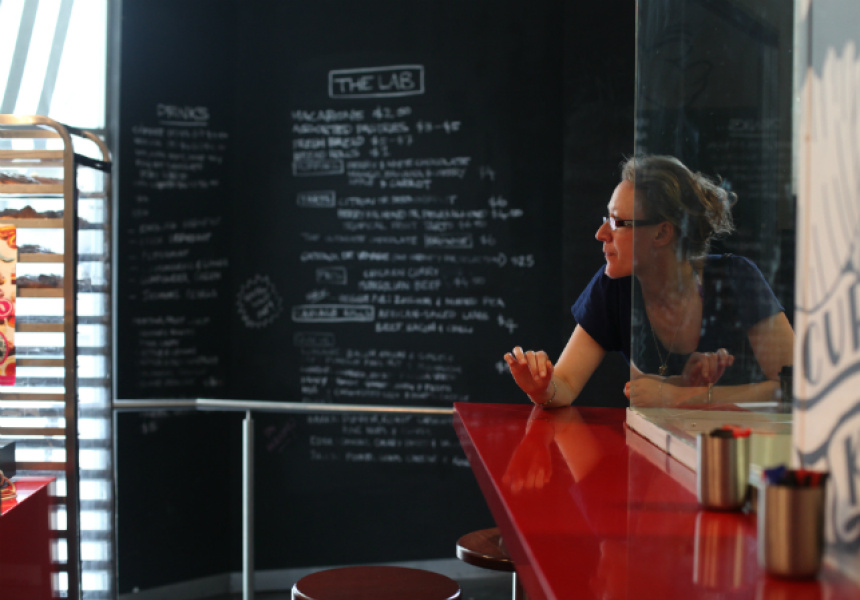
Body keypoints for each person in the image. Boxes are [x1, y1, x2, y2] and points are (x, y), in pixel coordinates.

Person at [504, 155, 794, 408]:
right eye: (607, 218)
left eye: (617, 222)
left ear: (661, 233)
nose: (601, 233)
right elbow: (565, 384)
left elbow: (793, 388)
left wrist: (681, 397)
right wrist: (542, 389)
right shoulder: (613, 287)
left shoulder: (736, 277)